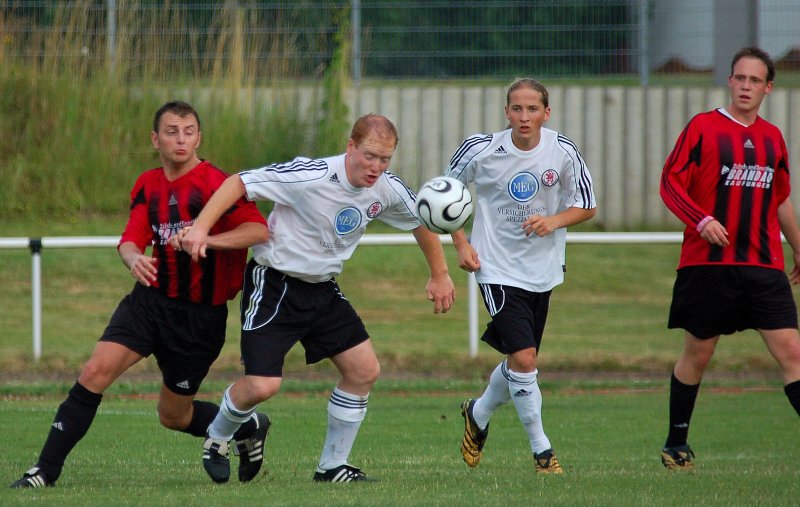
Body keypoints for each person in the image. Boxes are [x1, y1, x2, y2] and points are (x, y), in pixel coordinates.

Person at [178, 113, 456, 483]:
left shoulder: (387, 187)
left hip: (322, 288)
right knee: (262, 386)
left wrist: (440, 274)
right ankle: (217, 438)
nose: (376, 167)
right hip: (275, 284)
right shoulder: (310, 176)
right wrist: (200, 228)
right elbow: (239, 182)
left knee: (363, 370)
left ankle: (332, 466)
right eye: (369, 156)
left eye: (385, 159)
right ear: (350, 146)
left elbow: (421, 219)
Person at [10, 101, 270, 489]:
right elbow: (131, 239)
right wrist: (132, 258)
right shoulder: (148, 184)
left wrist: (206, 239)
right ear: (155, 139)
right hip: (149, 302)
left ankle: (247, 426)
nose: (180, 140)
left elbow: (258, 231)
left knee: (173, 416)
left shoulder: (217, 184)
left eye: (188, 132)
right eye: (171, 132)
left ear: (199, 138)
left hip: (199, 319)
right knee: (95, 371)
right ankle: (44, 472)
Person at [658, 46, 800, 470]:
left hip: (763, 265)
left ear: (768, 88)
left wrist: (798, 246)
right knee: (698, 356)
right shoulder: (704, 128)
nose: (745, 86)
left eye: (755, 80)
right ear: (730, 81)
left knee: (792, 353)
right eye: (740, 78)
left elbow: (780, 199)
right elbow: (670, 183)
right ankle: (675, 444)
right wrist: (701, 220)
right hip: (709, 266)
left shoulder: (773, 138)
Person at [446, 77, 596, 475]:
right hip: (495, 267)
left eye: (532, 109)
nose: (524, 116)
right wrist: (462, 244)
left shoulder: (562, 151)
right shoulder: (480, 149)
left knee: (520, 359)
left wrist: (553, 221)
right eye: (517, 108)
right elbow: (443, 197)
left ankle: (477, 414)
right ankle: (542, 451)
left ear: (547, 113)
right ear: (506, 112)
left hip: (543, 270)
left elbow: (587, 205)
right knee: (526, 358)